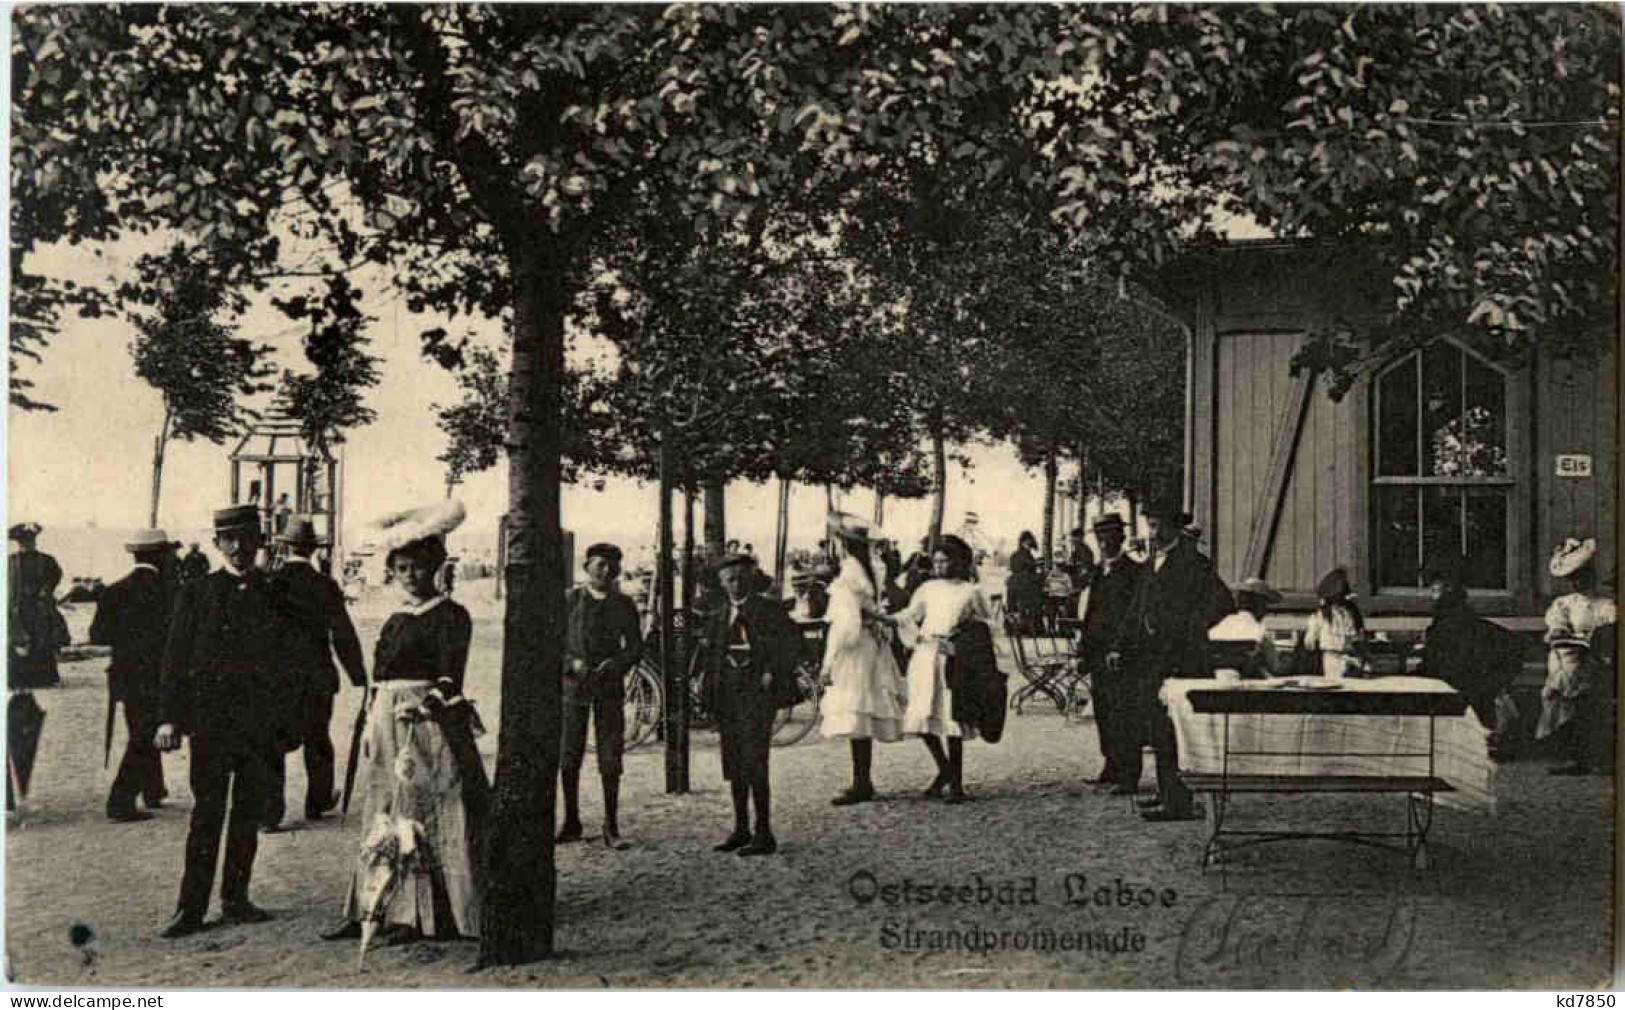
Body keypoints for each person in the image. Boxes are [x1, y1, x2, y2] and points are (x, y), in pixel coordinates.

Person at [322, 507, 488, 943]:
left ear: (435, 568)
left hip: (428, 725)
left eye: (418, 567)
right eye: (401, 568)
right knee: (384, 809)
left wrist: (425, 706)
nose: (410, 576)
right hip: (387, 721)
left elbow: (452, 675)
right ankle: (373, 908)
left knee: (425, 811)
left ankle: (424, 917)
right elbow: (379, 680)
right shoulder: (396, 620)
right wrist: (371, 727)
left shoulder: (451, 615)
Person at [155, 505, 292, 937]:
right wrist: (169, 719)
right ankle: (189, 909)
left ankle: (236, 898)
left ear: (259, 542)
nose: (238, 547)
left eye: (246, 538)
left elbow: (291, 663)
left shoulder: (275, 592)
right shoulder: (196, 592)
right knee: (207, 813)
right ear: (217, 544)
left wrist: (286, 721)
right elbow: (174, 660)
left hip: (259, 727)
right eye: (229, 539)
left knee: (248, 813)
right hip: (211, 725)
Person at [1107, 498, 1232, 822]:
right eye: (1149, 524)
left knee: (1177, 729)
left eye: (1159, 524)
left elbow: (1220, 605)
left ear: (1175, 527)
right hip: (1150, 660)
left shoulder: (1194, 563)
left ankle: (1179, 801)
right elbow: (1135, 610)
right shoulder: (1151, 563)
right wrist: (1119, 646)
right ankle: (1167, 793)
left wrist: (1186, 630)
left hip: (1182, 659)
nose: (1153, 530)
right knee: (1157, 727)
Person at [265, 517, 367, 830]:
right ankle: (318, 801)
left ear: (285, 546)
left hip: (277, 678)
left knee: (273, 744)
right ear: (311, 550)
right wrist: (359, 675)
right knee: (318, 740)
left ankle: (270, 814)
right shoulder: (325, 585)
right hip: (317, 677)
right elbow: (343, 633)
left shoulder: (270, 583)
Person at [697, 554, 800, 856]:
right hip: (728, 696)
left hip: (757, 694)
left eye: (742, 578)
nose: (736, 584)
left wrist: (774, 671)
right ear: (721, 583)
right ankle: (741, 828)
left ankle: (764, 832)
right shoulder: (718, 617)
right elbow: (710, 659)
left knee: (756, 761)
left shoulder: (770, 611)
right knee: (734, 763)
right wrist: (708, 691)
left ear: (751, 579)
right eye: (730, 579)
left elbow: (793, 645)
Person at [886, 535, 997, 804]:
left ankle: (956, 783)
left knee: (952, 718)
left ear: (958, 561)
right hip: (925, 656)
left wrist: (962, 644)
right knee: (923, 717)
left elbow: (986, 628)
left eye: (944, 560)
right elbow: (910, 615)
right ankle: (944, 769)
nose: (938, 566)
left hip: (952, 660)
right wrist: (881, 618)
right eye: (935, 561)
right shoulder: (927, 588)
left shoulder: (970, 592)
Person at [558, 543, 644, 850]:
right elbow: (552, 643)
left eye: (612, 566)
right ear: (586, 567)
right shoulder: (569, 601)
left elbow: (635, 646)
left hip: (608, 687)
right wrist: (572, 664)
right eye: (600, 565)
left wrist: (618, 663)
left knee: (611, 755)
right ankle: (571, 821)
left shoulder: (624, 604)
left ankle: (611, 824)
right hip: (574, 686)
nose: (607, 572)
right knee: (569, 753)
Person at [818, 514, 907, 806]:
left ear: (843, 544)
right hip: (872, 645)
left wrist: (828, 662)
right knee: (863, 711)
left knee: (857, 710)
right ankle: (862, 780)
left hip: (857, 648)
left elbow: (845, 624)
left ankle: (861, 782)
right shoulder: (873, 570)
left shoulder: (849, 575)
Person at [90, 528, 176, 821]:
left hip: (124, 676)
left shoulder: (113, 591)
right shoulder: (169, 592)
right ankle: (120, 801)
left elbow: (97, 635)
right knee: (143, 735)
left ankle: (154, 789)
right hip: (157, 675)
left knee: (141, 726)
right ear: (161, 556)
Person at [1418, 556, 1525, 739]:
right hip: (1458, 672)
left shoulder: (1454, 616)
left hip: (1460, 677)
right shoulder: (1448, 614)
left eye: (1437, 583)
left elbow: (1447, 653)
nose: (1432, 588)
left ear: (1449, 585)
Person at [1075, 514, 1142, 793]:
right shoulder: (1098, 573)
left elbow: (1134, 615)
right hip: (1098, 653)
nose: (1103, 542)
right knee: (1103, 710)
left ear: (1121, 539)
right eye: (1099, 536)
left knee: (1124, 713)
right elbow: (1091, 614)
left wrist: (1120, 648)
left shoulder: (1134, 572)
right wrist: (1084, 650)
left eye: (1109, 536)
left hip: (1121, 655)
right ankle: (1110, 765)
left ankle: (1129, 775)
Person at [1537, 538, 1617, 774]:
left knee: (1575, 683)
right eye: (1573, 578)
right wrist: (1561, 632)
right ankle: (1569, 753)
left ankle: (1585, 755)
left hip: (1597, 662)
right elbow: (1556, 630)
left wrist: (1596, 638)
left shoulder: (1605, 604)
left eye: (1582, 576)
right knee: (1565, 674)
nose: (1577, 582)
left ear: (1591, 576)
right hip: (1566, 657)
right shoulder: (1563, 604)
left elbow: (1609, 634)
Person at [8, 523, 64, 690]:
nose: (27, 543)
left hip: (39, 608)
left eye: (30, 540)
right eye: (23, 540)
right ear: (18, 542)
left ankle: (43, 678)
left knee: (42, 641)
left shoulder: (47, 560)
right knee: (18, 641)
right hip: (18, 609)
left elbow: (55, 576)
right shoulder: (10, 561)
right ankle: (18, 679)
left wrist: (46, 591)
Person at [1295, 567, 1367, 678]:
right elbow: (1309, 643)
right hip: (1332, 660)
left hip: (1351, 660)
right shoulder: (1321, 616)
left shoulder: (1352, 613)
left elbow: (1359, 639)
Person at [1208, 577, 1283, 678]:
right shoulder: (1259, 631)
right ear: (1259, 606)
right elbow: (1275, 667)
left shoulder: (1218, 627)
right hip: (1248, 688)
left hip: (1215, 681)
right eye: (1265, 605)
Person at [1005, 531, 1044, 629]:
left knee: (1015, 605)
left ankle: (1017, 625)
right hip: (1024, 584)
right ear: (1025, 542)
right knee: (1035, 600)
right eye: (1028, 543)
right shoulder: (1024, 555)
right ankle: (1032, 625)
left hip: (1016, 583)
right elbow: (1027, 570)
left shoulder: (1016, 554)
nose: (1029, 546)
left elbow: (1015, 568)